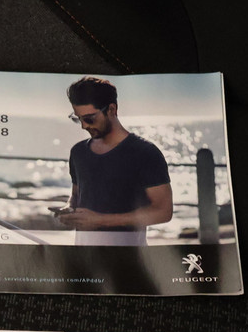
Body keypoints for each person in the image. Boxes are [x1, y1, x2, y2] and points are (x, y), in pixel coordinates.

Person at [57, 76, 173, 246]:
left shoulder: (145, 153)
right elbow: (76, 195)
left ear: (111, 109)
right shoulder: (78, 152)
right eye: (78, 118)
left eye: (89, 118)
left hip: (128, 256)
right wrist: (69, 209)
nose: (83, 126)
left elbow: (163, 212)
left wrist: (100, 220)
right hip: (83, 254)